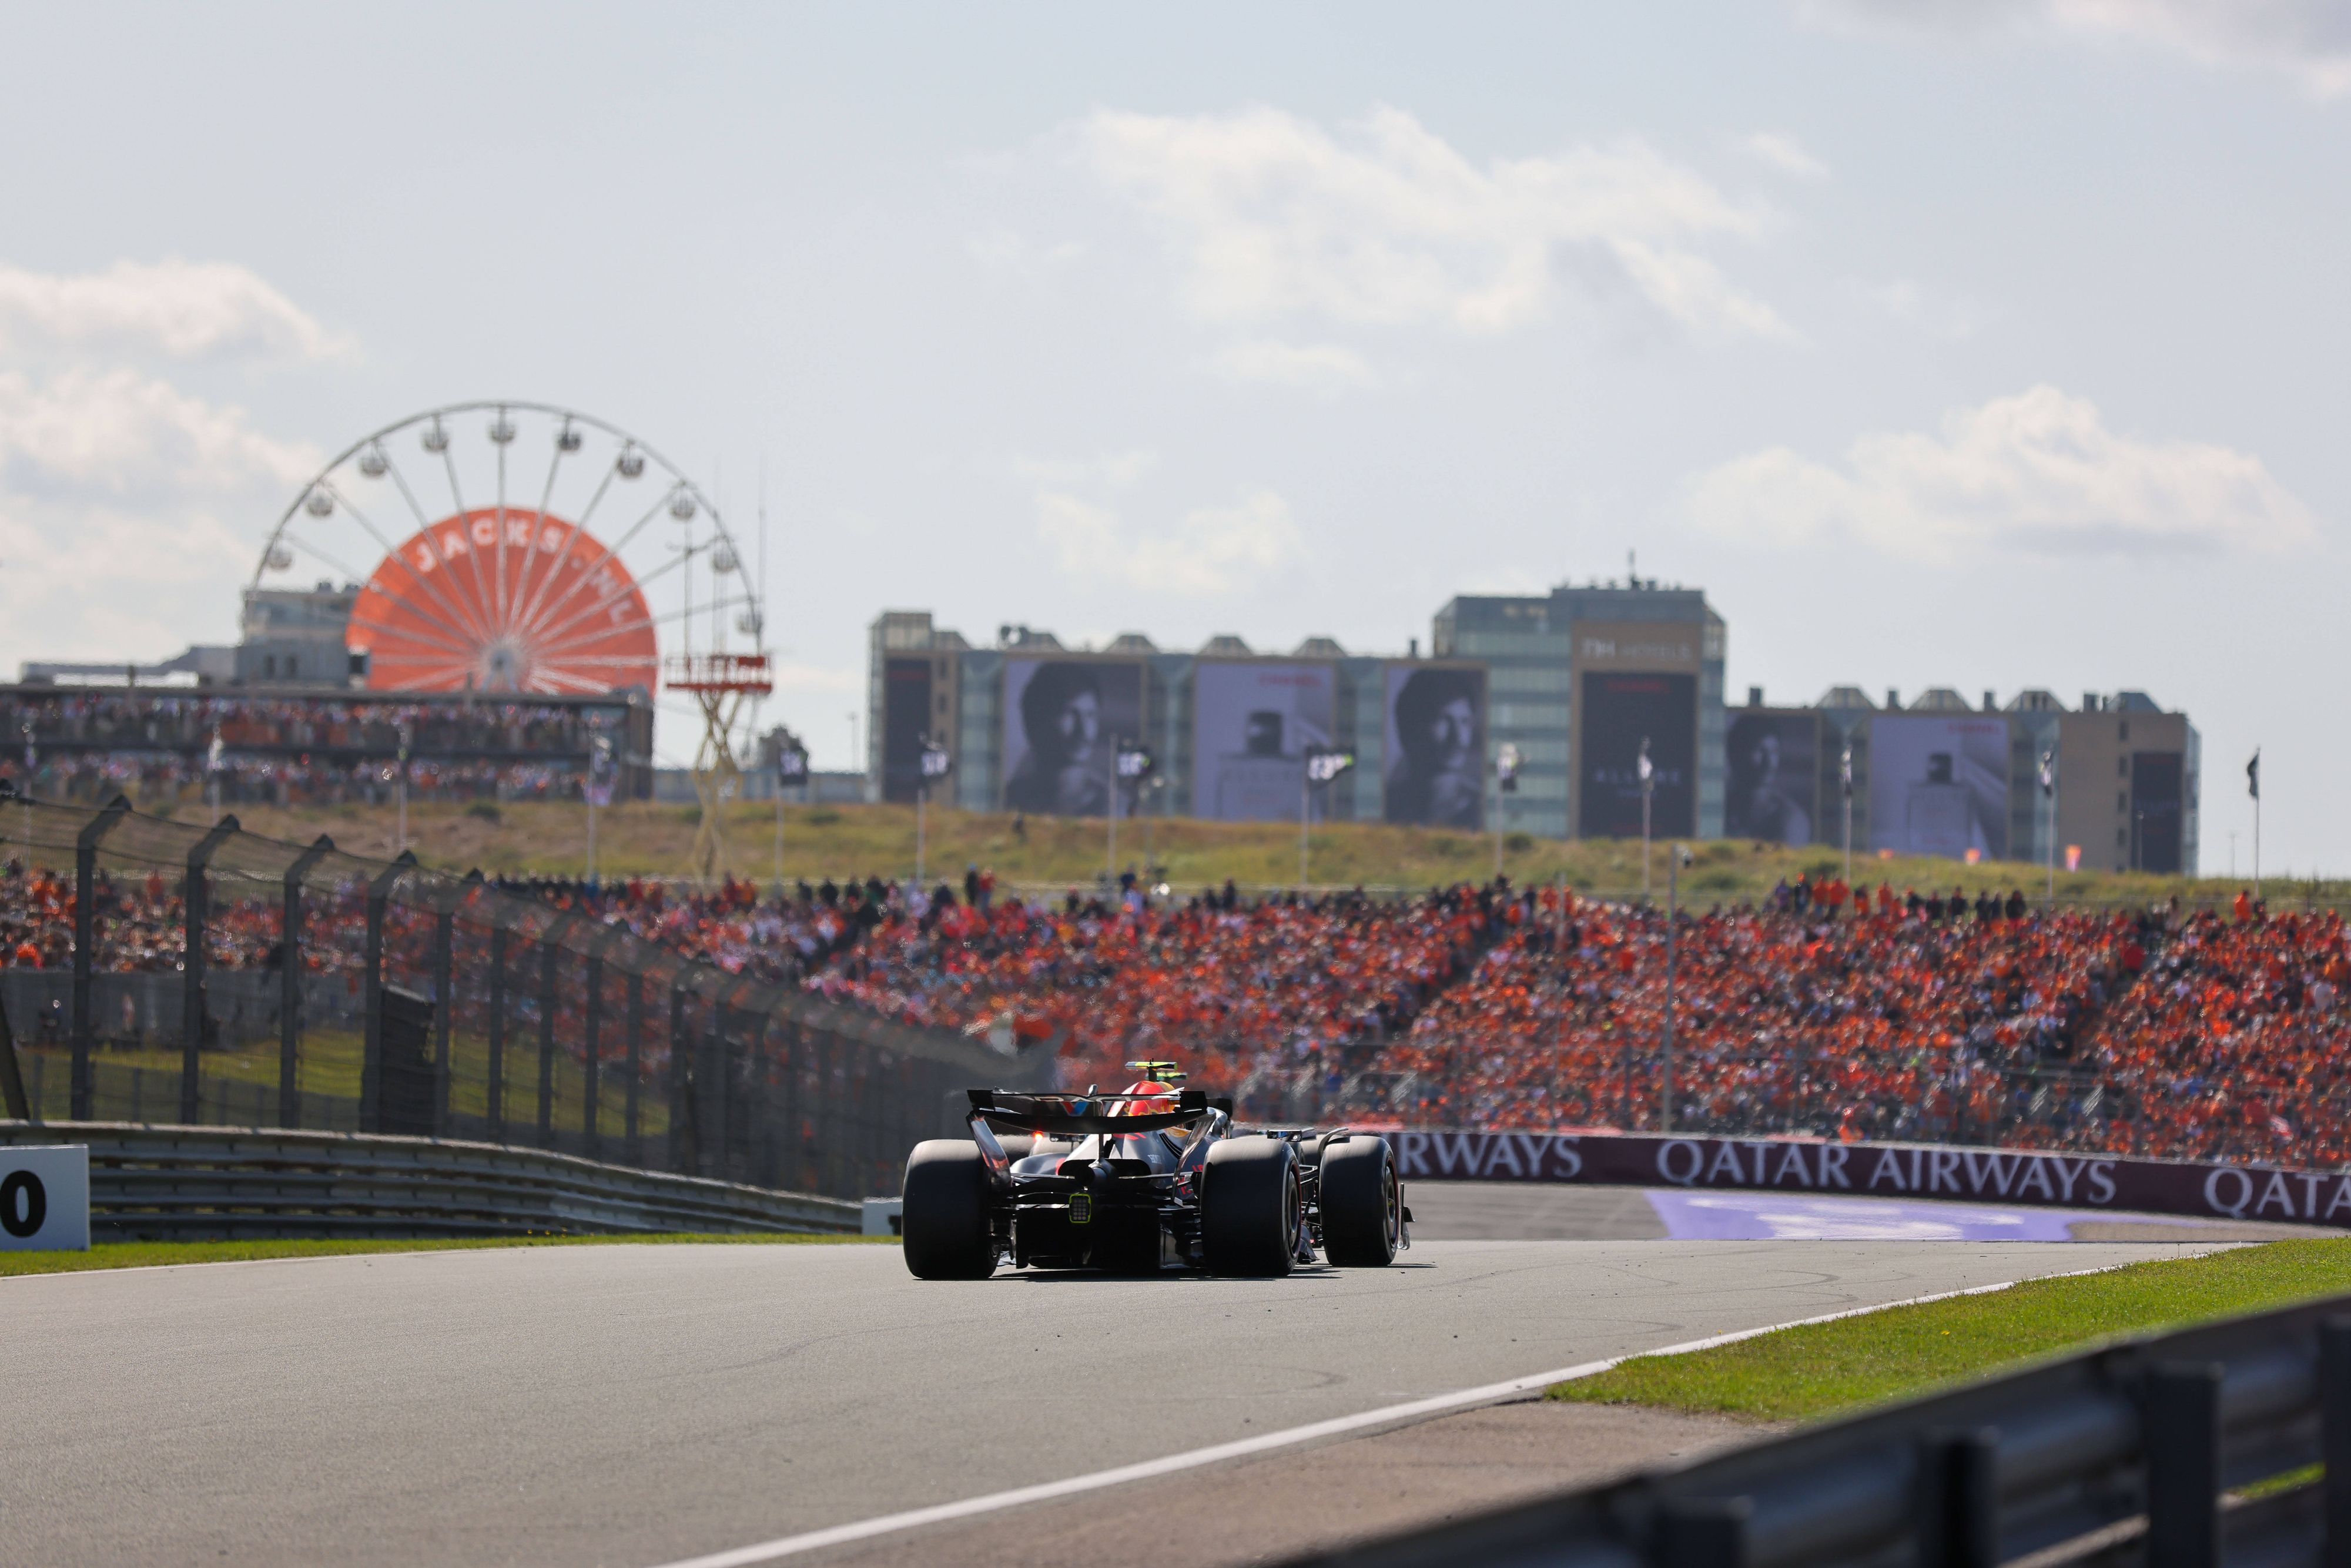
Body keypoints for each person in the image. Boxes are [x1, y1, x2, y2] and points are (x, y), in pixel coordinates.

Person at [1004, 664, 1110, 816]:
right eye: (1069, 713)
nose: (1084, 731)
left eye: (1090, 715)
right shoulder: (1008, 800)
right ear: (1036, 721)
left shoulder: (1115, 806)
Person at [1384, 669, 1481, 828]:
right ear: (1410, 727)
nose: (1458, 738)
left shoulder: (1481, 809)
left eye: (1465, 722)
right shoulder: (1387, 805)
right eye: (1444, 720)